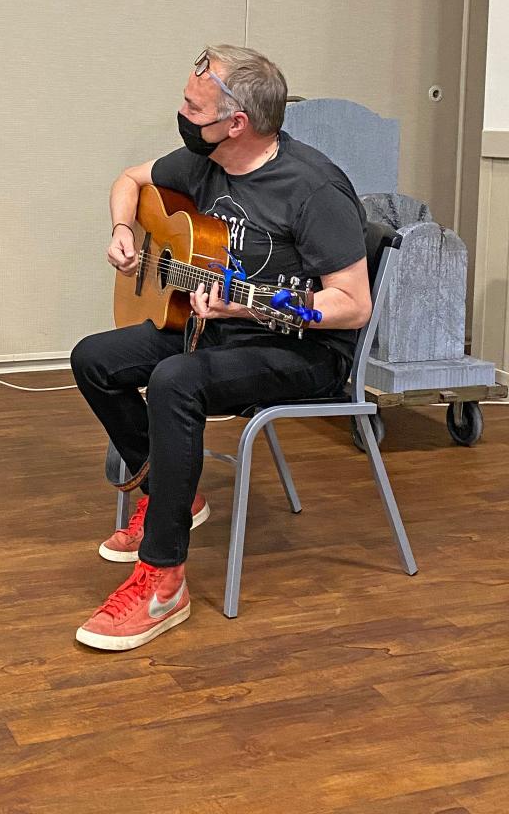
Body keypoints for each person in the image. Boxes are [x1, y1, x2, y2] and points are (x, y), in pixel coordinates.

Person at [70, 44, 372, 651]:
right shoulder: (202, 163)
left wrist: (256, 304)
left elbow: (353, 303)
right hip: (216, 329)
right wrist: (124, 231)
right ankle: (169, 492)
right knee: (93, 360)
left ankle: (163, 580)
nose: (182, 113)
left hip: (301, 351)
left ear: (236, 125)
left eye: (192, 106)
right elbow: (129, 180)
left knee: (178, 380)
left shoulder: (313, 189)